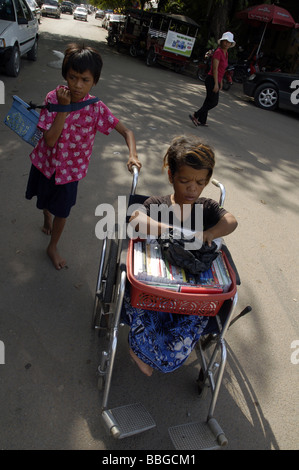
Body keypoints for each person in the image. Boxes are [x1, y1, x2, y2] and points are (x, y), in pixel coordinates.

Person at [121, 135, 238, 376]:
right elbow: (135, 218)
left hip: (190, 295)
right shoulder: (159, 204)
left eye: (200, 182)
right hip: (155, 290)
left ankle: (153, 353)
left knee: (188, 327)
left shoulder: (206, 208)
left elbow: (231, 221)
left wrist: (211, 232)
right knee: (144, 307)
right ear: (171, 176)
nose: (192, 188)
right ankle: (139, 348)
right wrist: (169, 230)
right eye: (185, 181)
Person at [25, 43, 141, 270]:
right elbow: (49, 140)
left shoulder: (96, 108)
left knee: (63, 211)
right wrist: (63, 106)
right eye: (72, 77)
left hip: (70, 173)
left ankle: (53, 246)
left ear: (94, 81)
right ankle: (45, 216)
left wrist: (133, 155)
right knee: (43, 201)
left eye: (85, 80)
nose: (77, 85)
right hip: (45, 164)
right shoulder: (53, 97)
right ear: (65, 75)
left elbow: (127, 131)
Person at [189, 32, 236, 127]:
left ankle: (202, 120)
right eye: (225, 41)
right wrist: (216, 83)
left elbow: (222, 69)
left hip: (217, 79)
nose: (226, 44)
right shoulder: (218, 52)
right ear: (222, 42)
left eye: (229, 42)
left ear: (231, 44)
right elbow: (214, 69)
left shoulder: (226, 53)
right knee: (214, 102)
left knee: (208, 100)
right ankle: (196, 115)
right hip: (211, 79)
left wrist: (221, 81)